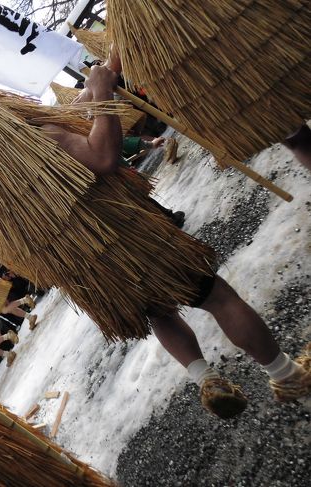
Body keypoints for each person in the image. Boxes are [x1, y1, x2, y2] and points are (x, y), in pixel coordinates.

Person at [42, 49, 311, 418]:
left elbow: (77, 107)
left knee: (161, 313)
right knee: (217, 297)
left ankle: (205, 377)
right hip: (128, 237)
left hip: (93, 262)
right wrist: (103, 94)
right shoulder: (41, 137)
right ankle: (286, 375)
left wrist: (109, 69)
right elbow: (102, 157)